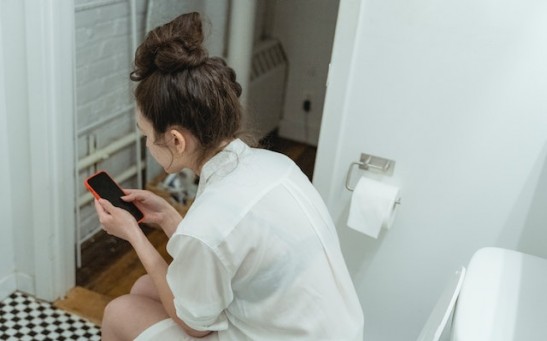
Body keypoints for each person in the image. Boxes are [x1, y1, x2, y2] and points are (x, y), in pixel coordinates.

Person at [95, 12, 364, 341]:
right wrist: (168, 217)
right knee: (144, 287)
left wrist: (134, 237)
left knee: (119, 311)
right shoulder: (274, 165)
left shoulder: (209, 222)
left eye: (147, 135)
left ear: (177, 141)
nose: (148, 144)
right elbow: (226, 250)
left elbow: (196, 324)